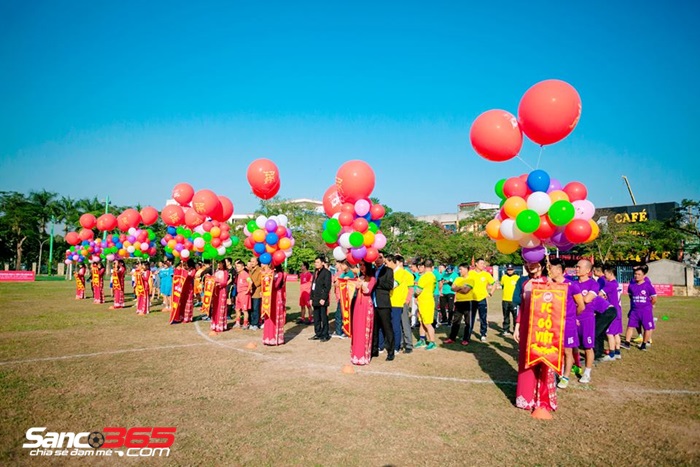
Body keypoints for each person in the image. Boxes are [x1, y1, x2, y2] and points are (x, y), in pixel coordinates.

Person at [513, 261, 556, 419]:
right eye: (529, 263)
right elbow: (522, 307)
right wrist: (517, 325)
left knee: (543, 361)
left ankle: (542, 398)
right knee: (525, 360)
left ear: (542, 265)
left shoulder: (549, 282)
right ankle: (525, 398)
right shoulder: (526, 283)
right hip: (526, 325)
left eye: (535, 263)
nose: (531, 266)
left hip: (544, 327)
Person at [547, 258, 585, 388]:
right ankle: (553, 372)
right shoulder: (549, 285)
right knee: (553, 350)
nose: (549, 270)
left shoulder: (572, 285)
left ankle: (565, 376)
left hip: (568, 323)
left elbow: (581, 306)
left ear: (558, 270)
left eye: (550, 268)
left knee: (568, 351)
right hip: (552, 323)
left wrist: (573, 317)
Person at [572, 259, 599, 383]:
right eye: (576, 267)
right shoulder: (572, 283)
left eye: (579, 267)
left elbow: (587, 299)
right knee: (572, 344)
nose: (576, 269)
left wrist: (576, 296)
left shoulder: (593, 284)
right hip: (573, 318)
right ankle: (576, 365)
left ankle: (587, 372)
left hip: (587, 319)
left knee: (588, 346)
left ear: (588, 270)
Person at [621, 265, 657, 351]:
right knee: (630, 326)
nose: (636, 276)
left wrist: (648, 306)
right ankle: (627, 343)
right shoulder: (632, 285)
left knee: (647, 328)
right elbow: (631, 296)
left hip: (646, 311)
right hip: (634, 310)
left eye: (639, 274)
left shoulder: (648, 286)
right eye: (635, 274)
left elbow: (654, 298)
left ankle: (644, 344)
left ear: (644, 275)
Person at [350, 261, 376, 365]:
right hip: (358, 305)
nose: (361, 267)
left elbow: (367, 291)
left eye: (363, 265)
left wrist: (361, 284)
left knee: (364, 329)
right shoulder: (359, 278)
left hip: (366, 305)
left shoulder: (372, 279)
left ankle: (364, 356)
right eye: (360, 265)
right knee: (357, 329)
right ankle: (355, 354)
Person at [388, 255, 414, 353]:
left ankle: (408, 344)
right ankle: (400, 342)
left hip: (402, 302)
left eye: (396, 262)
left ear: (400, 263)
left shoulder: (407, 274)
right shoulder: (394, 273)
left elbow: (410, 289)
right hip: (393, 301)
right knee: (396, 323)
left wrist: (406, 300)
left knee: (405, 323)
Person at [372, 253, 395, 361]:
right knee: (374, 329)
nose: (378, 259)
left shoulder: (388, 270)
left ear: (384, 259)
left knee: (387, 328)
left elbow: (390, 286)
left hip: (384, 303)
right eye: (376, 257)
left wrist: (377, 281)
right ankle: (374, 350)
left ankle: (391, 351)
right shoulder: (371, 270)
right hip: (373, 303)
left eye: (380, 257)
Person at [467, 259, 496, 343]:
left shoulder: (486, 274)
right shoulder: (470, 273)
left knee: (483, 317)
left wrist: (491, 293)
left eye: (484, 263)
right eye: (481, 263)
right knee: (470, 317)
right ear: (476, 264)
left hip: (482, 299)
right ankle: (468, 333)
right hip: (472, 299)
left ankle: (483, 334)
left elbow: (494, 283)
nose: (483, 265)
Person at [444, 263, 474, 345]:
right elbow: (452, 288)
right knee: (456, 321)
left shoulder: (471, 279)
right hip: (458, 302)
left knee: (468, 322)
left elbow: (466, 291)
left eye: (461, 269)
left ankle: (466, 339)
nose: (459, 271)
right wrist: (461, 287)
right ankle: (452, 338)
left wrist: (458, 288)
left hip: (468, 302)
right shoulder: (457, 279)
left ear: (466, 269)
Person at [600, 265, 623, 360]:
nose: (604, 276)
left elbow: (599, 294)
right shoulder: (617, 283)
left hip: (612, 311)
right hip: (619, 310)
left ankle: (611, 354)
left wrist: (602, 297)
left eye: (605, 274)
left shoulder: (610, 284)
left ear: (610, 273)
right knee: (616, 333)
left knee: (609, 333)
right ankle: (617, 352)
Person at [414, 259, 437, 350]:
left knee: (427, 323)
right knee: (422, 322)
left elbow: (418, 290)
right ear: (432, 267)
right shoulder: (432, 276)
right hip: (424, 301)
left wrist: (415, 295)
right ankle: (422, 339)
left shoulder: (425, 277)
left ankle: (432, 342)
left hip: (426, 302)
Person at [263, 264, 287, 345]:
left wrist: (271, 278)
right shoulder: (269, 273)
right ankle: (268, 337)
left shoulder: (280, 274)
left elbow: (276, 285)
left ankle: (275, 338)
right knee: (268, 315)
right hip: (269, 297)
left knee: (274, 316)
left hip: (277, 297)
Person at [309, 256, 332, 342]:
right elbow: (313, 285)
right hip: (315, 297)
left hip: (322, 299)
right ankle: (318, 333)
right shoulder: (315, 272)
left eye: (318, 262)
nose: (316, 264)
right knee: (316, 317)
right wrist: (311, 297)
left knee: (323, 317)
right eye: (315, 262)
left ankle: (325, 334)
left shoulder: (327, 273)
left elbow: (327, 286)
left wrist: (323, 298)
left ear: (322, 263)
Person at [332, 260, 355, 338]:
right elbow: (336, 284)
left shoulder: (350, 274)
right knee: (339, 314)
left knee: (347, 315)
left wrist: (344, 280)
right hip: (342, 297)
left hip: (348, 298)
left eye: (342, 265)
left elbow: (349, 283)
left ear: (347, 265)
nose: (341, 266)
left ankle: (346, 331)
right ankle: (339, 331)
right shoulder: (342, 274)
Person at [209, 261, 229, 336]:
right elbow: (212, 279)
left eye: (220, 263)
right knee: (215, 307)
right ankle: (215, 324)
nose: (218, 265)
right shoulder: (216, 272)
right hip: (215, 291)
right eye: (217, 263)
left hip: (221, 291)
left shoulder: (225, 272)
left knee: (221, 307)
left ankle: (220, 325)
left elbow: (224, 282)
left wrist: (218, 282)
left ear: (223, 264)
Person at [500, 264, 520, 336]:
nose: (510, 271)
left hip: (514, 301)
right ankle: (506, 330)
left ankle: (516, 330)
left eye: (511, 269)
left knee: (515, 316)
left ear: (514, 270)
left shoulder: (517, 278)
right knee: (506, 316)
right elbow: (502, 286)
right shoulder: (504, 277)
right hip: (505, 300)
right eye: (508, 269)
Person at [233, 260, 251, 329]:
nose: (237, 268)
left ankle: (245, 324)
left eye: (239, 266)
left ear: (243, 267)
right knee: (237, 309)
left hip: (244, 294)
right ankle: (237, 322)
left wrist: (247, 291)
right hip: (239, 293)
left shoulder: (245, 273)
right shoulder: (239, 274)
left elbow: (250, 282)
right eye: (236, 266)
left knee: (244, 310)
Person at [248, 257, 262, 330]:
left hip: (256, 291)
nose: (252, 263)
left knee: (256, 308)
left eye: (253, 261)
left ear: (257, 262)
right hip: (250, 292)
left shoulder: (260, 270)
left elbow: (259, 281)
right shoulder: (250, 270)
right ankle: (251, 322)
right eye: (251, 261)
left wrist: (252, 286)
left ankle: (256, 323)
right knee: (251, 308)